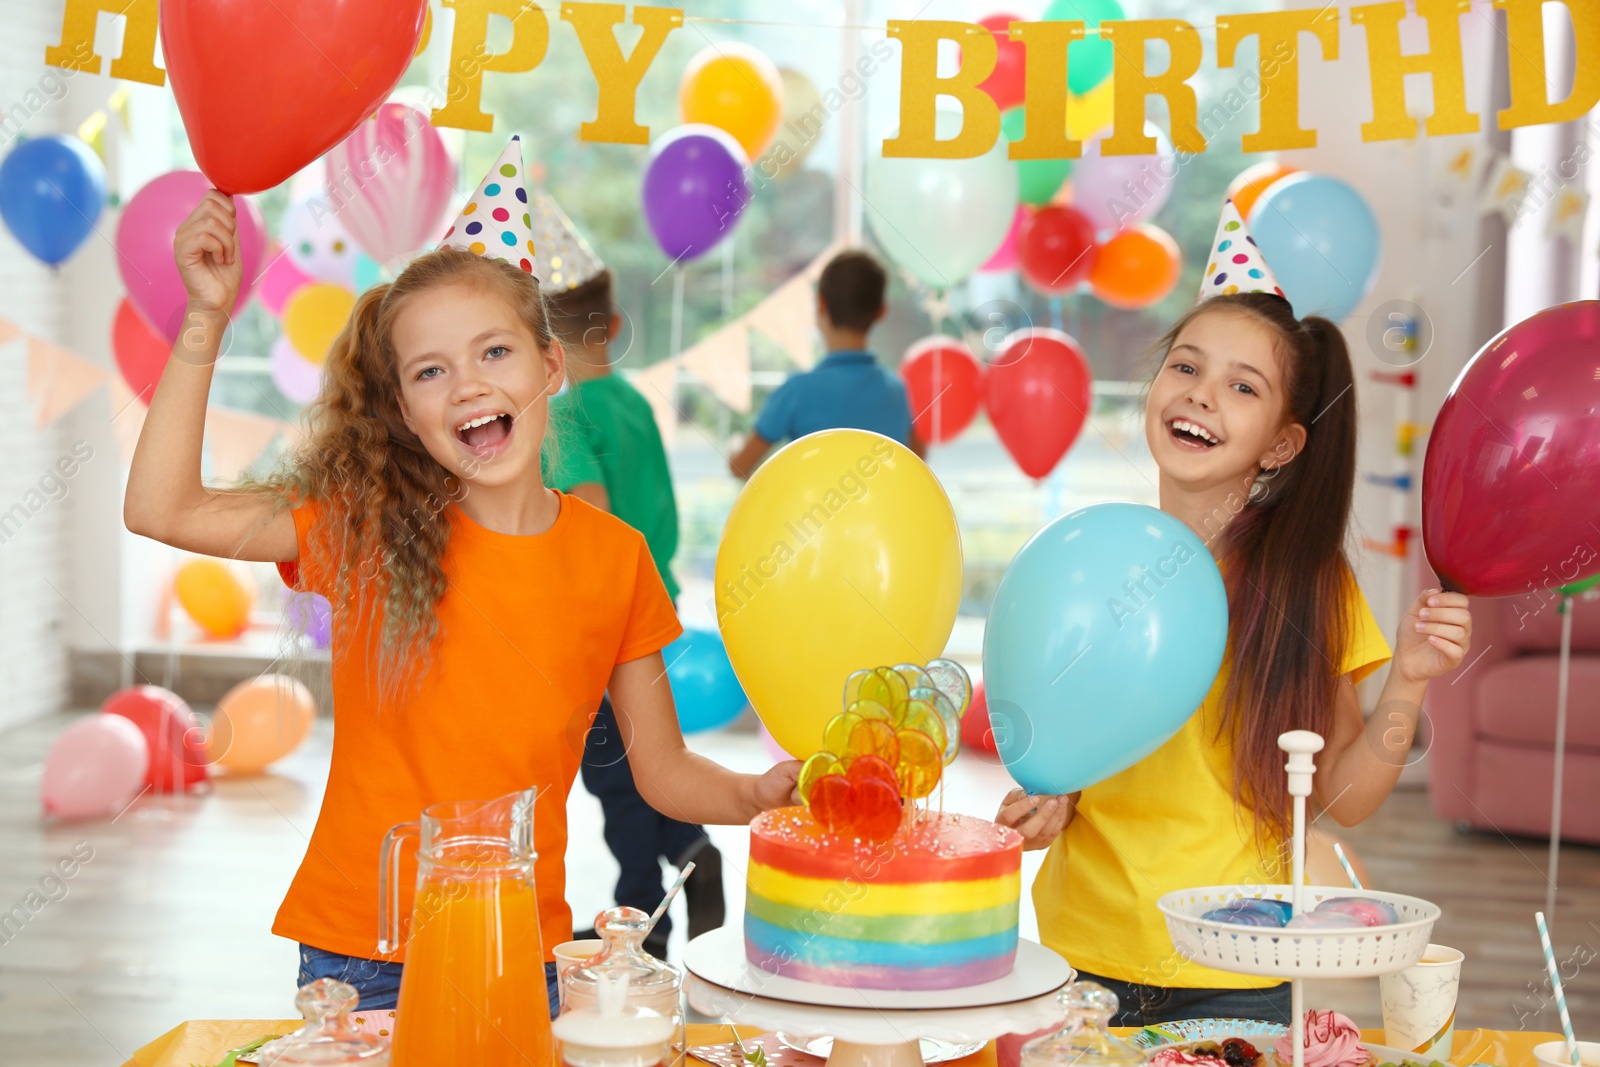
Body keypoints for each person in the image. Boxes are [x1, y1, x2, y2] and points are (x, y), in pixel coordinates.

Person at [123, 140, 799, 1019]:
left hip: (526, 953)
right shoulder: (367, 530)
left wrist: (754, 795)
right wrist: (205, 321)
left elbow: (662, 772)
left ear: (549, 368)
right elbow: (160, 507)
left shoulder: (615, 558)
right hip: (364, 956)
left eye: (494, 353)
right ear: (405, 410)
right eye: (431, 371)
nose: (467, 386)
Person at [996, 201, 1473, 1026]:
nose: (1202, 396)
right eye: (1185, 367)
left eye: (1241, 386)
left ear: (1283, 444)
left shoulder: (1307, 585)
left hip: (1237, 959)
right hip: (1078, 954)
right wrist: (1054, 794)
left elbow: (1343, 798)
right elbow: (1080, 738)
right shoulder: (1090, 562)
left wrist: (1410, 684)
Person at [538, 216, 724, 957]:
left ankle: (642, 921)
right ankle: (687, 849)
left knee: (618, 779)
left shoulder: (566, 413)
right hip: (657, 609)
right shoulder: (637, 405)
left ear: (541, 346)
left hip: (605, 627)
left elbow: (592, 514)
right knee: (652, 761)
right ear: (611, 328)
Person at [728, 249, 922, 479]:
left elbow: (739, 466)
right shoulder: (896, 390)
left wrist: (734, 446)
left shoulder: (797, 391)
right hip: (882, 515)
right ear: (881, 312)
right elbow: (917, 460)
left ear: (820, 304)